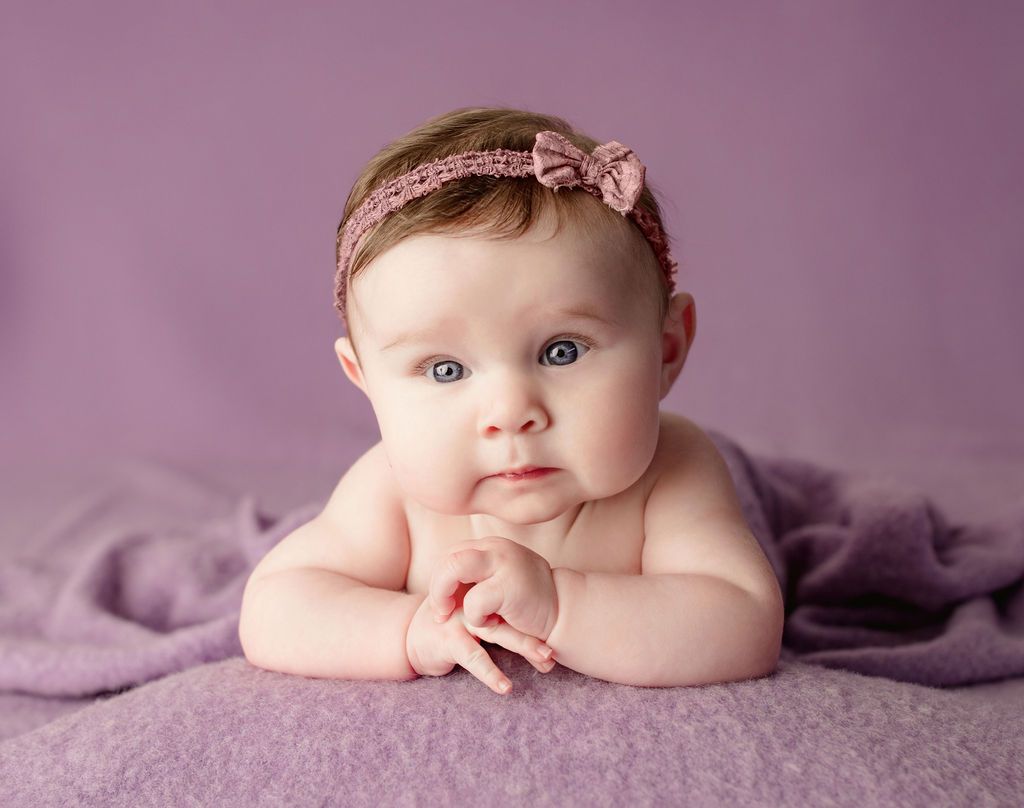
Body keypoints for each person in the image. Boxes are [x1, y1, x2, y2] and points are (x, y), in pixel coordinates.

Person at [238, 106, 784, 695]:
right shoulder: (391, 493)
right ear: (365, 378)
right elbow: (275, 605)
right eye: (445, 369)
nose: (510, 413)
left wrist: (559, 605)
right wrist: (407, 629)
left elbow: (744, 621)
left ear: (667, 350)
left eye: (562, 352)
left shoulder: (673, 471)